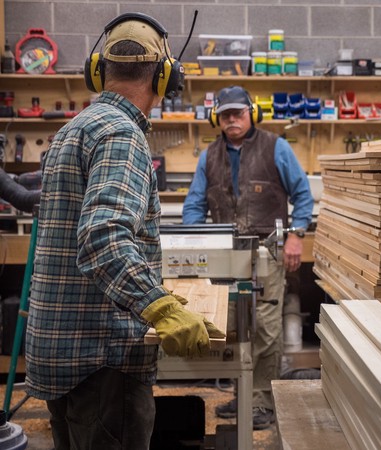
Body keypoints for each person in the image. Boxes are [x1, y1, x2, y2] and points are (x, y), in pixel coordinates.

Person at [25, 13, 223, 450]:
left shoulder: (72, 129)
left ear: (99, 71)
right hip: (102, 359)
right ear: (165, 76)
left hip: (62, 353)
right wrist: (160, 307)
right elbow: (104, 239)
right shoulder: (122, 136)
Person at [182, 85, 314, 429]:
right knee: (232, 327)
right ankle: (242, 396)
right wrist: (192, 244)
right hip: (224, 253)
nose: (232, 119)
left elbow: (302, 195)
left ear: (250, 113)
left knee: (266, 329)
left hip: (268, 250)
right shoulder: (208, 156)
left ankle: (262, 402)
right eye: (226, 114)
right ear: (218, 118)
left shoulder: (276, 147)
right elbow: (194, 205)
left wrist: (296, 235)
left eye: (238, 113)